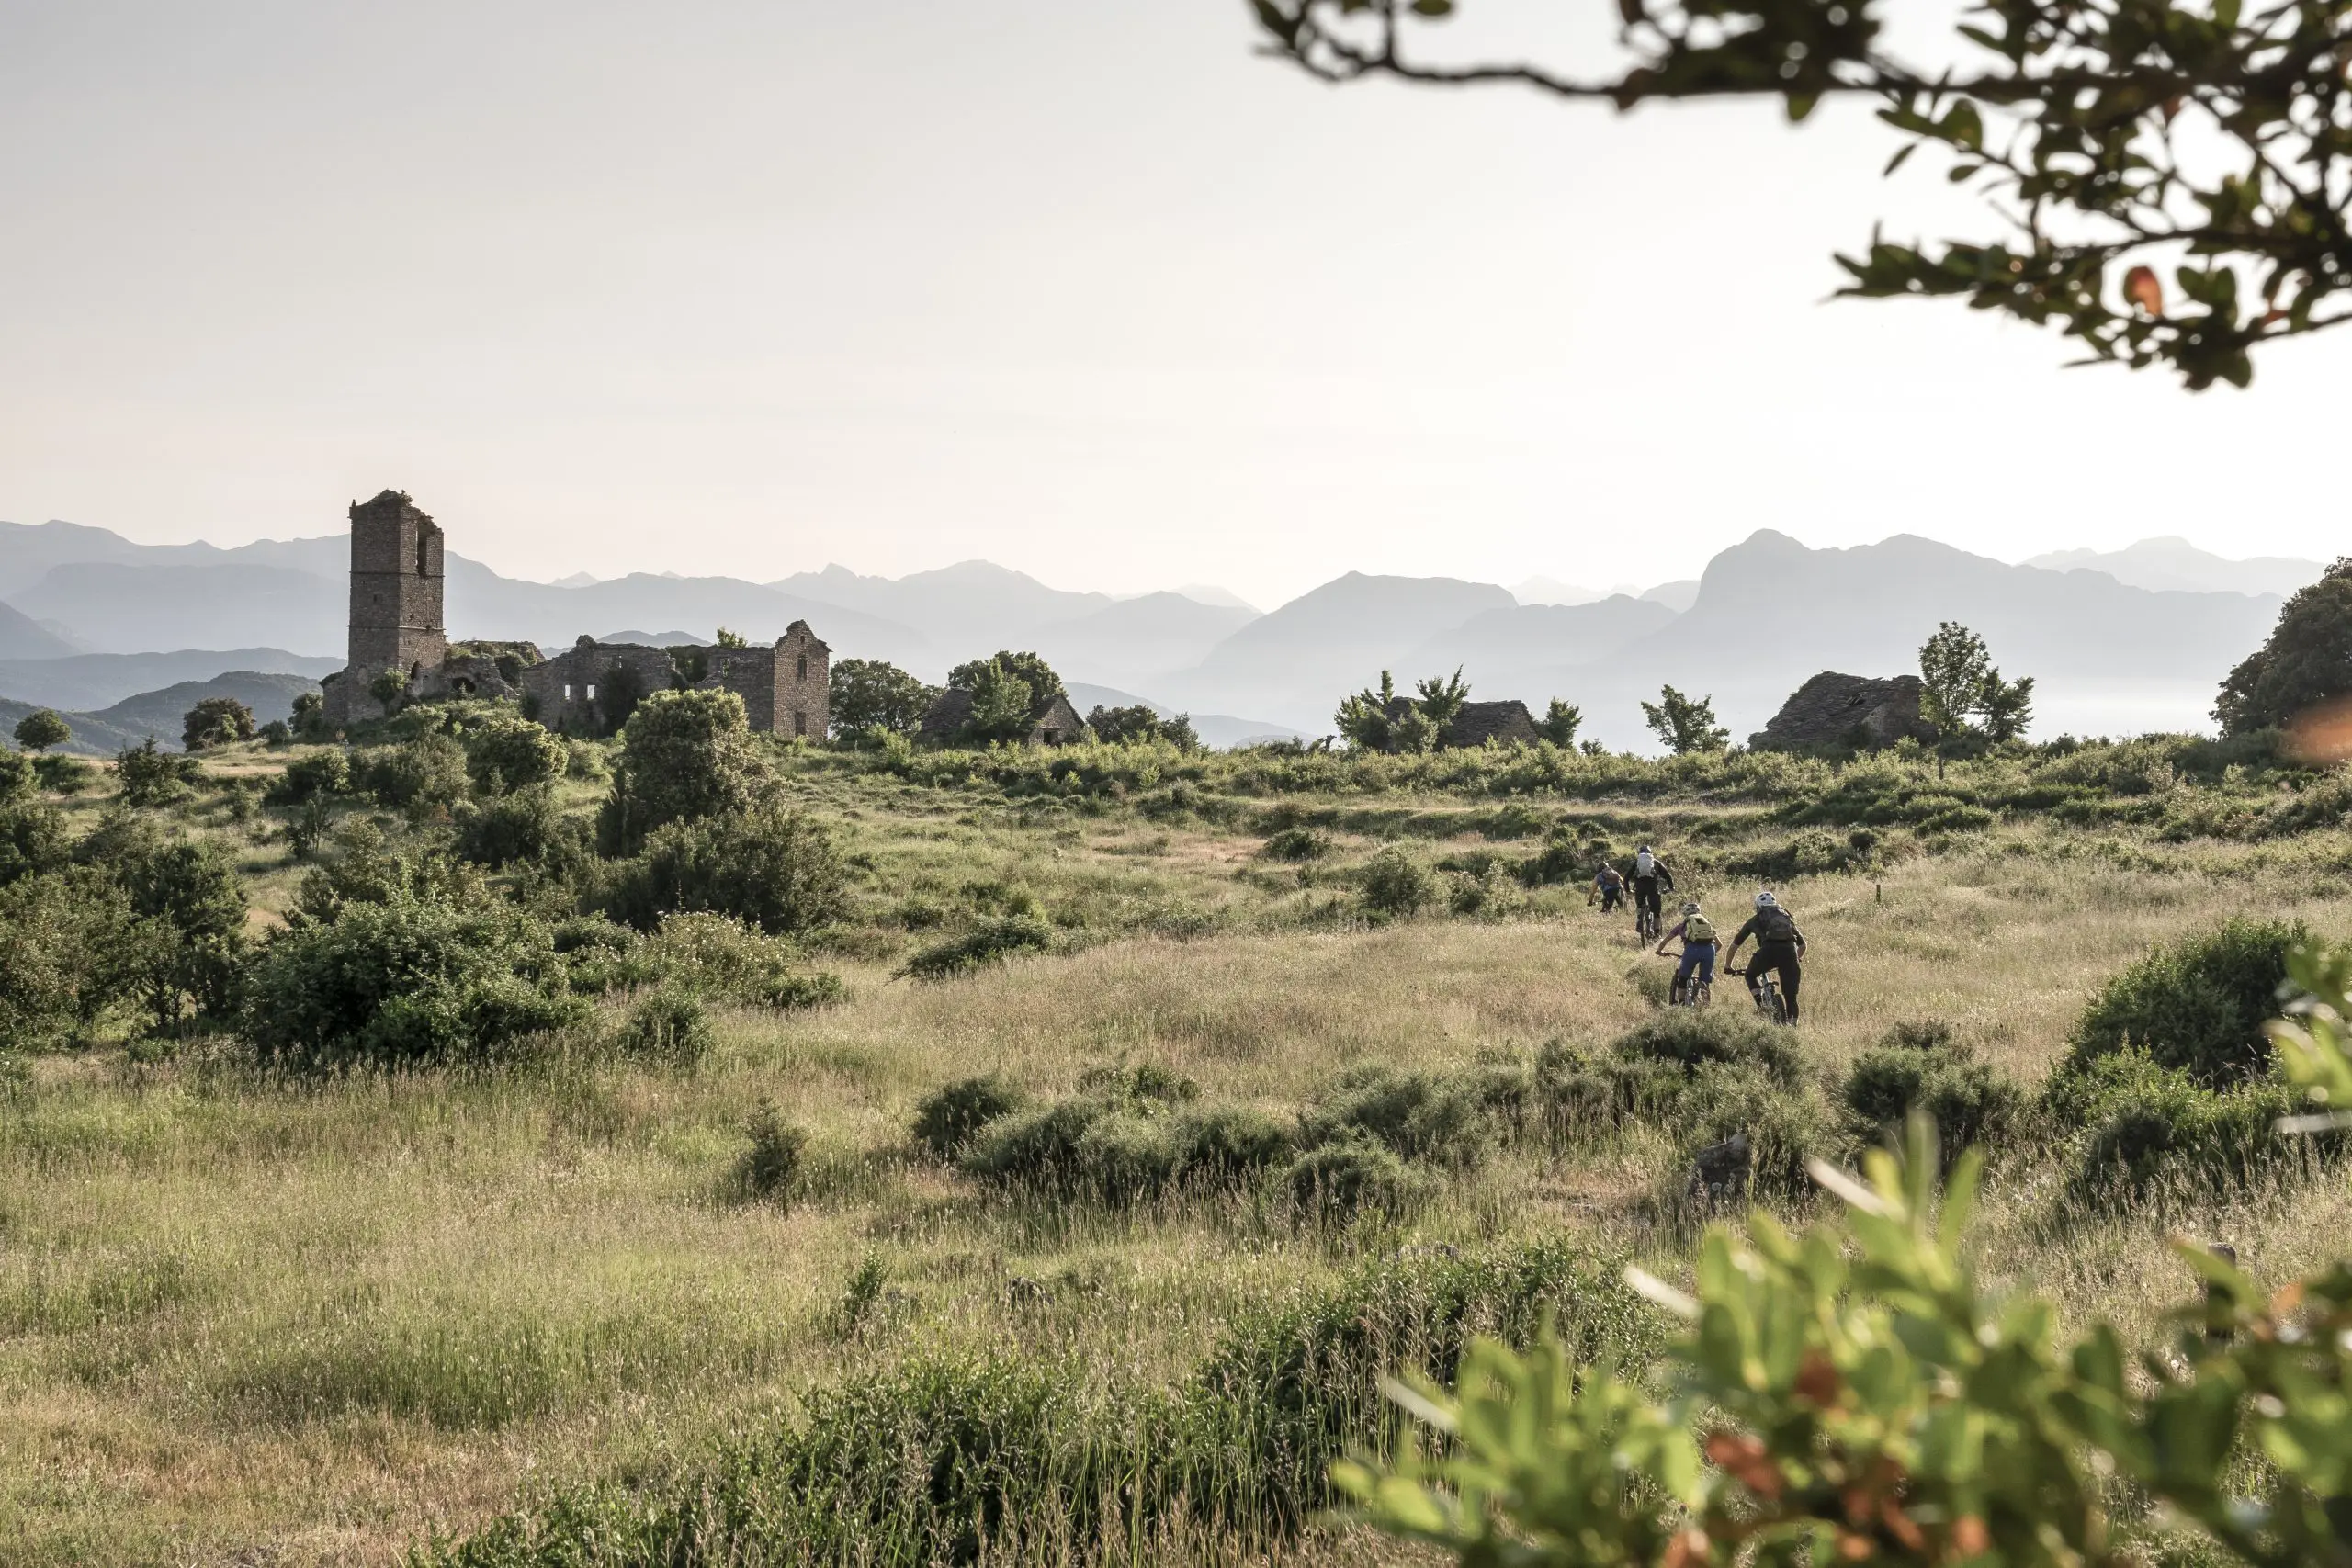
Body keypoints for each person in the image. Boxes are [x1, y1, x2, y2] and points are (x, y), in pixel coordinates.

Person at [1726, 889, 1807, 1021]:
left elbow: (1735, 945)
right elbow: (1803, 945)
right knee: (1791, 998)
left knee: (1750, 975)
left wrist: (1728, 965)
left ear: (1758, 907)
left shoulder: (1755, 919)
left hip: (1768, 951)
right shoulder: (1786, 916)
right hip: (1789, 952)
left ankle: (1761, 1006)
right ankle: (1792, 1029)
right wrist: (1795, 959)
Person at [1654, 898, 1718, 1003]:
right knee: (1705, 981)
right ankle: (1706, 1006)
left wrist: (1660, 951)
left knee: (1683, 977)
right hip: (1709, 950)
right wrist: (1712, 953)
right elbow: (1719, 944)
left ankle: (1681, 1004)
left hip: (1692, 950)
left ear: (1685, 914)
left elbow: (1665, 940)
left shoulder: (1681, 926)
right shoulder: (1706, 924)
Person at [1630, 844, 1674, 931]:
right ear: (1651, 853)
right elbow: (1668, 876)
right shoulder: (1655, 862)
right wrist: (1671, 887)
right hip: (1653, 888)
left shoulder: (1637, 863)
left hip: (1640, 888)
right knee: (1656, 912)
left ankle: (1639, 919)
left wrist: (1628, 890)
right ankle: (1657, 932)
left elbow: (1627, 877)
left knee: (1640, 905)